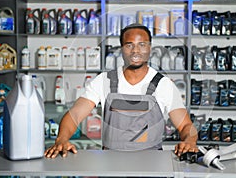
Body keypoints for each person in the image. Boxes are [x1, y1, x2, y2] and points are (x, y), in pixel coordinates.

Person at [44, 23, 198, 158]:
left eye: (142, 44)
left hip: (152, 164)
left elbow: (185, 125)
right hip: (111, 163)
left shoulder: (163, 85)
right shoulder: (104, 81)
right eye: (129, 45)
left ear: (150, 48)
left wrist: (189, 141)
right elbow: (75, 114)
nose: (135, 51)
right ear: (122, 49)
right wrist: (62, 139)